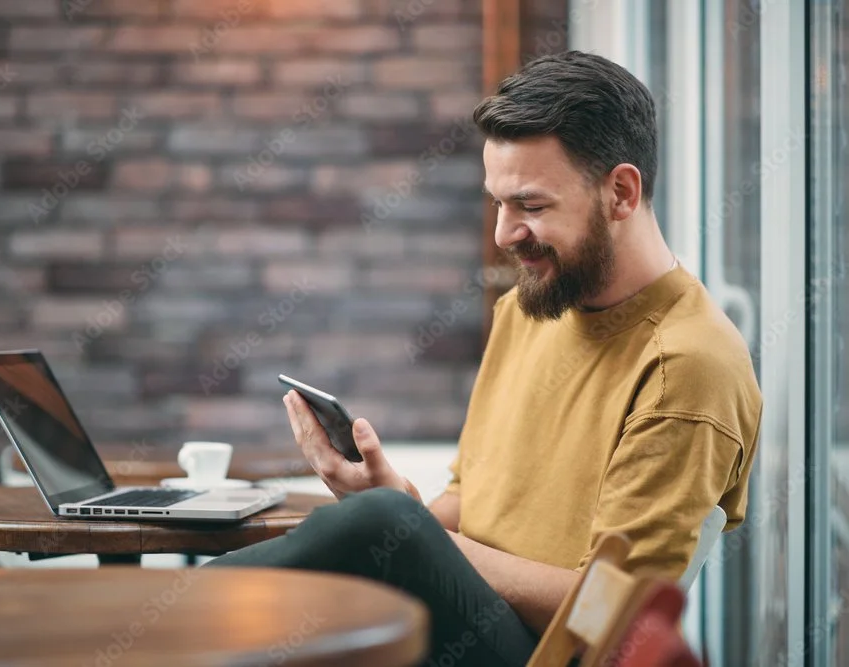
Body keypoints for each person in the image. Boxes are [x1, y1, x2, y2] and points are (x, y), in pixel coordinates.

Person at [207, 50, 762, 667]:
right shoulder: (532, 308)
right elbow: (474, 500)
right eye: (498, 203)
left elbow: (614, 610)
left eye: (531, 205)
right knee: (364, 534)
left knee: (372, 529)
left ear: (621, 193)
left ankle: (138, 622)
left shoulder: (686, 367)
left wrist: (406, 531)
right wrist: (398, 505)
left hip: (545, 654)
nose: (503, 233)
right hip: (463, 622)